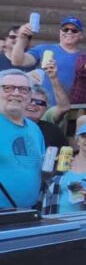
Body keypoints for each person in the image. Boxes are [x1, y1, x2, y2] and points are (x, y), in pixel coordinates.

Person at [10, 16, 86, 108]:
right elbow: (17, 61)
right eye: (65, 29)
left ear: (81, 35)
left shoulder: (84, 58)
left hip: (64, 109)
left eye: (74, 30)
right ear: (60, 32)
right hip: (36, 105)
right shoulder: (43, 49)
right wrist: (21, 38)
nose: (69, 32)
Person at [0, 69, 45, 209]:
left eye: (23, 89)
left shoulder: (34, 129)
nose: (15, 93)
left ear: (30, 95)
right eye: (8, 88)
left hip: (27, 212)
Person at [41, 122, 86, 214]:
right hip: (54, 218)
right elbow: (44, 182)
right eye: (84, 137)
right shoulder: (63, 158)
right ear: (78, 141)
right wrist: (52, 166)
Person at [24, 84, 68, 149]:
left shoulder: (54, 132)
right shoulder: (6, 125)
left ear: (46, 108)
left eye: (40, 102)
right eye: (30, 100)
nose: (33, 104)